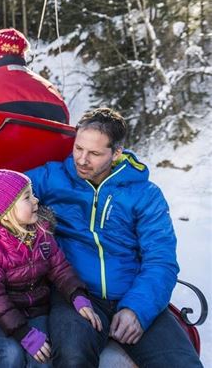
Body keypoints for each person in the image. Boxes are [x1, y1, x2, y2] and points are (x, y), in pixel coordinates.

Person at [25, 107, 203, 367]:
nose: (82, 160)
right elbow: (1, 190)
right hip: (76, 294)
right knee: (72, 359)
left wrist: (137, 310)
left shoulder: (145, 194)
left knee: (182, 363)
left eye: (95, 153)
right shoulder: (54, 177)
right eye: (78, 148)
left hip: (132, 291)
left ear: (116, 153)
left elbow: (161, 260)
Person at [0, 168, 102, 367]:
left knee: (43, 357)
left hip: (37, 309)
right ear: (6, 212)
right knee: (10, 355)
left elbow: (60, 268)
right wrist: (22, 333)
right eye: (27, 197)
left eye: (32, 193)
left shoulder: (42, 232)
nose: (36, 200)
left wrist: (77, 295)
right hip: (3, 315)